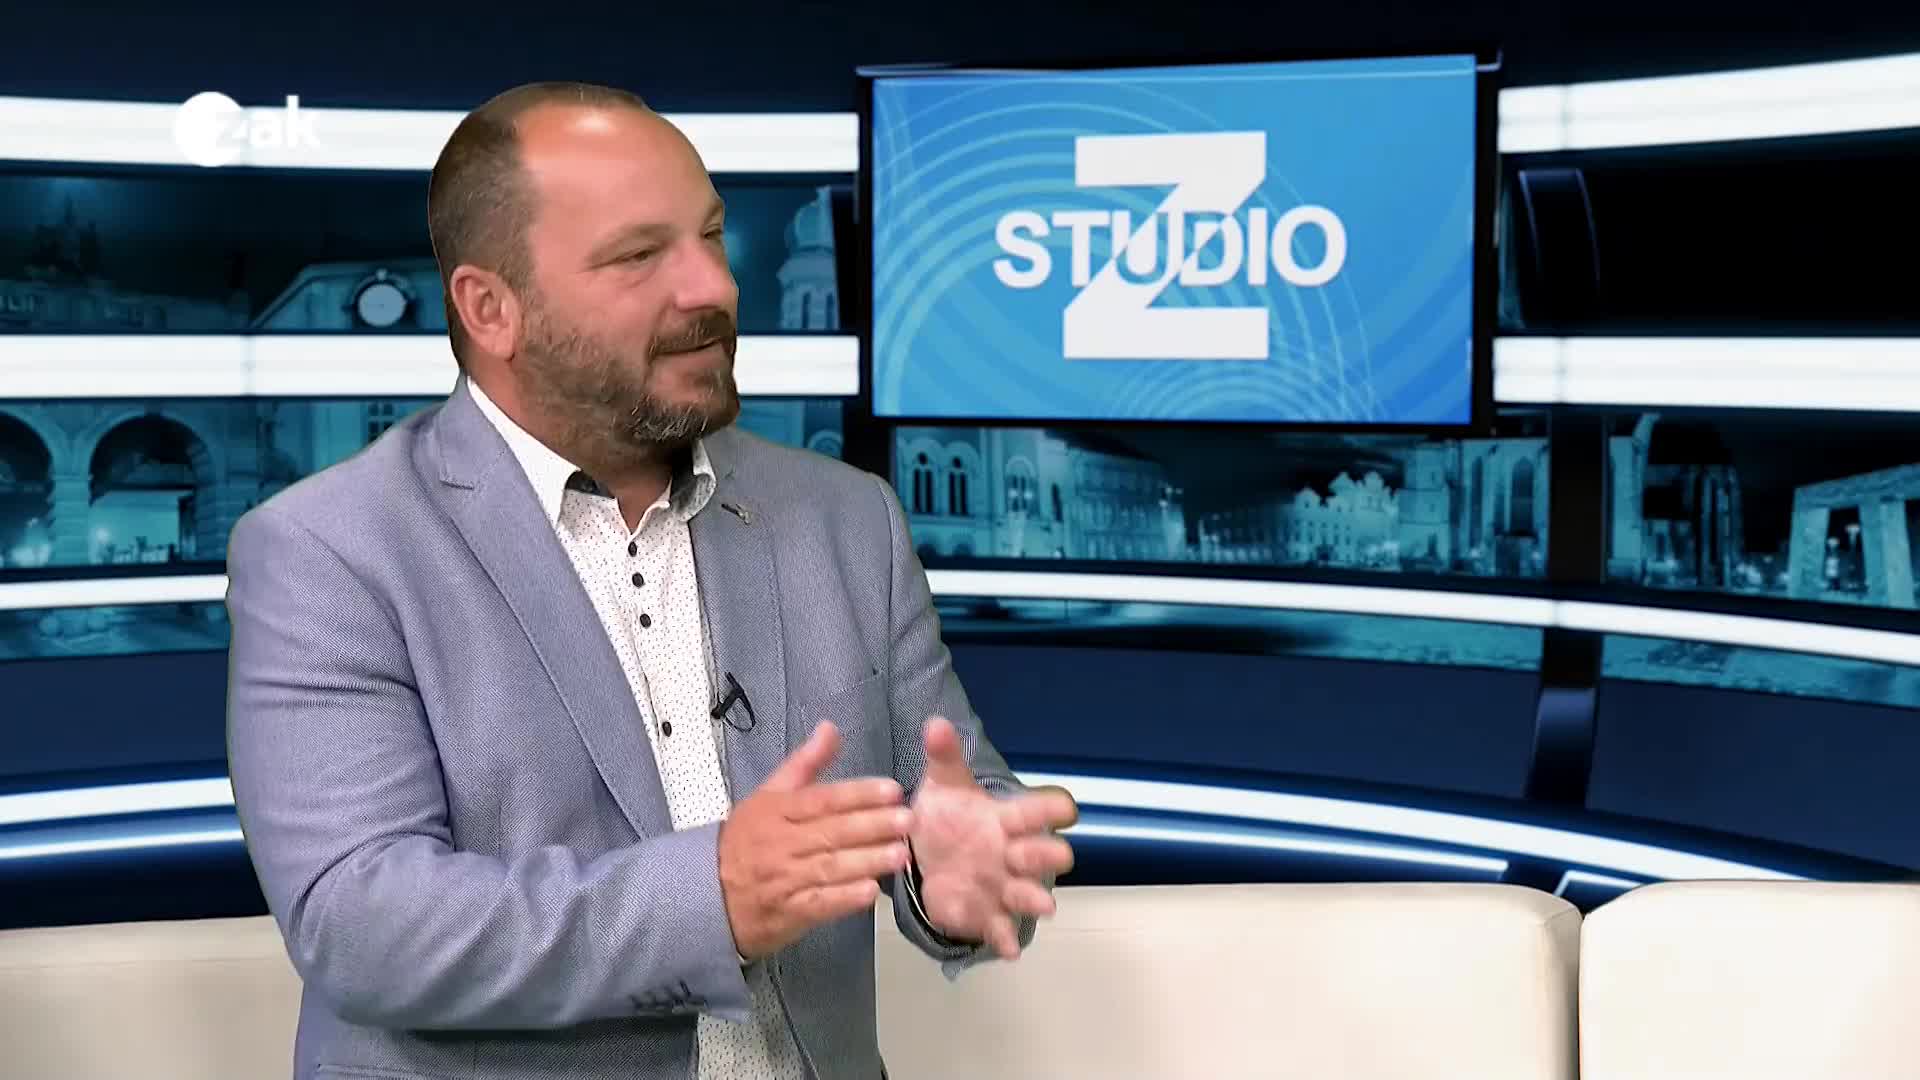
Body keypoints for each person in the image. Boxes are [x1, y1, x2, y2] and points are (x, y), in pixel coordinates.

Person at [224, 81, 1078, 1080]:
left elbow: (957, 801)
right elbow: (363, 925)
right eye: (639, 255)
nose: (711, 287)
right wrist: (712, 900)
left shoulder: (848, 518)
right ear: (491, 309)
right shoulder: (329, 550)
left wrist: (957, 877)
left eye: (710, 237)